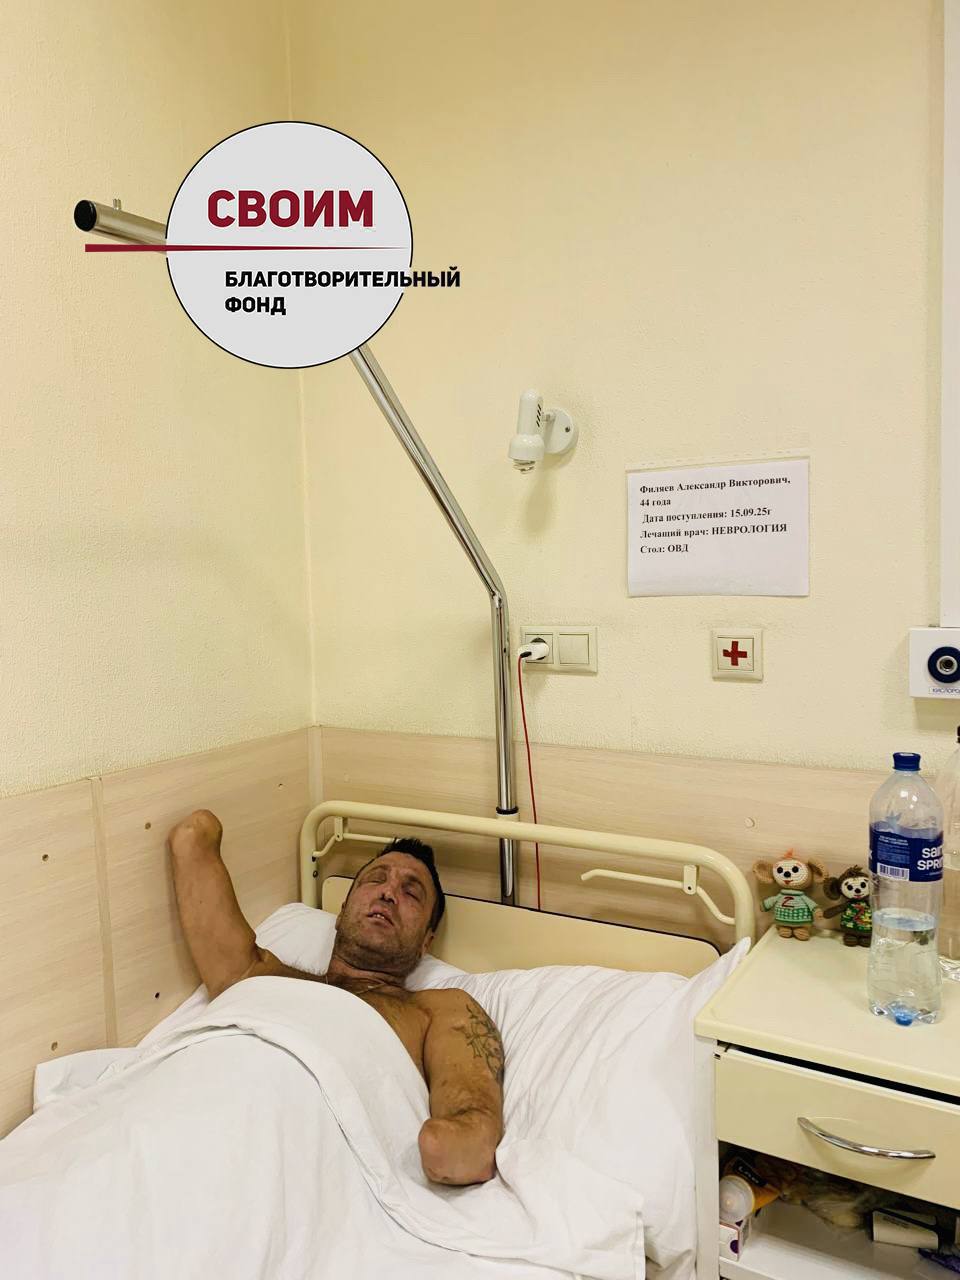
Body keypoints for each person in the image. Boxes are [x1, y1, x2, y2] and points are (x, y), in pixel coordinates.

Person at [166, 809, 504, 1187]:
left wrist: (454, 1146)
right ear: (341, 912)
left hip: (279, 1161)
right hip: (181, 1111)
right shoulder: (257, 974)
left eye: (411, 892)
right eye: (375, 879)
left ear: (427, 941)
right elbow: (192, 836)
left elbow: (472, 1125)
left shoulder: (435, 1010)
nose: (388, 893)